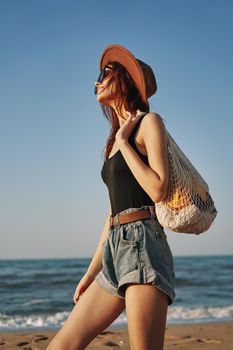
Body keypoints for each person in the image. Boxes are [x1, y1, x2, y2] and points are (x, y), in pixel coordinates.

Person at [47, 44, 175, 350]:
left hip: (143, 245)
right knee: (60, 346)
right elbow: (112, 215)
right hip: (115, 251)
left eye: (105, 73)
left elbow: (158, 188)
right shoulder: (113, 144)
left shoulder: (149, 123)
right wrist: (91, 273)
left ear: (125, 79)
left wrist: (124, 141)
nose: (97, 81)